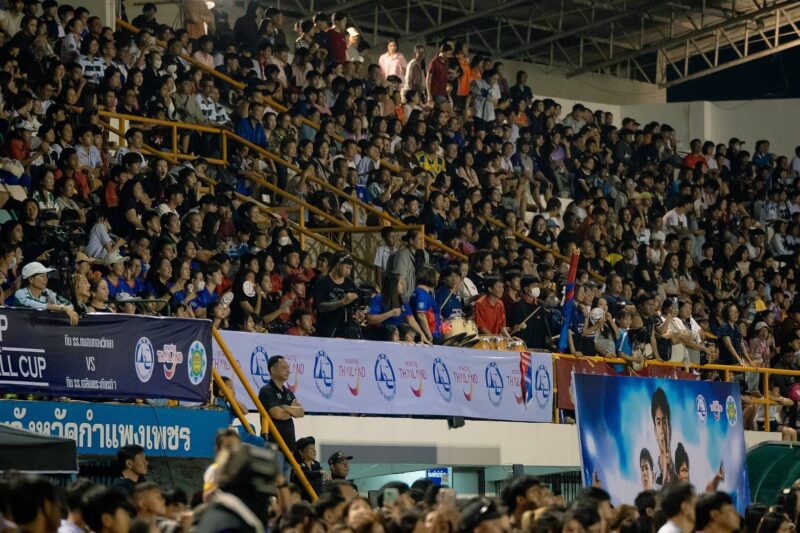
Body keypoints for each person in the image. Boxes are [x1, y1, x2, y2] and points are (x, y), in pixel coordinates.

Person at [258, 355, 304, 479]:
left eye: (288, 367)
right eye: (284, 367)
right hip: (273, 446)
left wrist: (285, 407)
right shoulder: (266, 391)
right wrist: (291, 409)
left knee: (284, 486)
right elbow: (276, 414)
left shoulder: (288, 392)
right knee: (273, 484)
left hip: (289, 447)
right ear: (273, 370)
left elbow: (301, 412)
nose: (288, 370)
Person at [14, 261, 80, 325]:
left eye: (46, 276)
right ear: (31, 279)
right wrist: (62, 308)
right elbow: (36, 305)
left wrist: (57, 309)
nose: (46, 279)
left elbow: (69, 305)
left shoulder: (47, 292)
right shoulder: (20, 294)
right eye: (42, 276)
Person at [313, 252, 361, 338]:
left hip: (346, 330)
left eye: (350, 269)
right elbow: (320, 307)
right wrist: (342, 302)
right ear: (338, 265)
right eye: (347, 268)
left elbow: (355, 306)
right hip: (326, 329)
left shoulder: (350, 284)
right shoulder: (322, 282)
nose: (348, 272)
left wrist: (358, 312)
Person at [203, 428, 241, 502]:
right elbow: (206, 499)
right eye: (228, 447)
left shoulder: (244, 469)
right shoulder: (213, 470)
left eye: (236, 446)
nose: (233, 450)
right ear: (218, 449)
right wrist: (219, 485)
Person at [650, 387, 674, 488]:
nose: (663, 430)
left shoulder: (681, 469)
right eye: (659, 423)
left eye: (664, 421)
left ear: (670, 428)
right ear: (655, 431)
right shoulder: (651, 476)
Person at [292, 436, 328, 501]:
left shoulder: (316, 465)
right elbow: (303, 474)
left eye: (314, 448)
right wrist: (318, 473)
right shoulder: (296, 465)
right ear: (301, 452)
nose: (314, 451)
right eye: (311, 448)